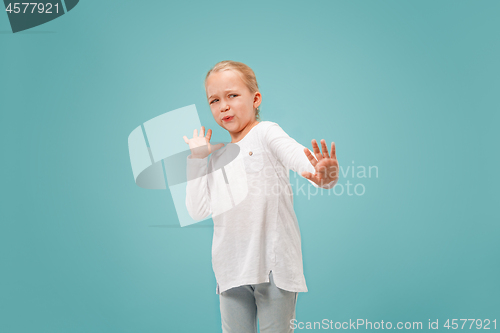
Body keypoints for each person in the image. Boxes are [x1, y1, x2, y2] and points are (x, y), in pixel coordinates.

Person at [183, 60, 339, 333]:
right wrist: (197, 159)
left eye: (232, 95)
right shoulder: (216, 157)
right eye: (214, 100)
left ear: (255, 99)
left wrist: (322, 173)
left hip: (273, 269)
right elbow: (197, 210)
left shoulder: (266, 133)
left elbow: (298, 158)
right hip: (230, 271)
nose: (224, 106)